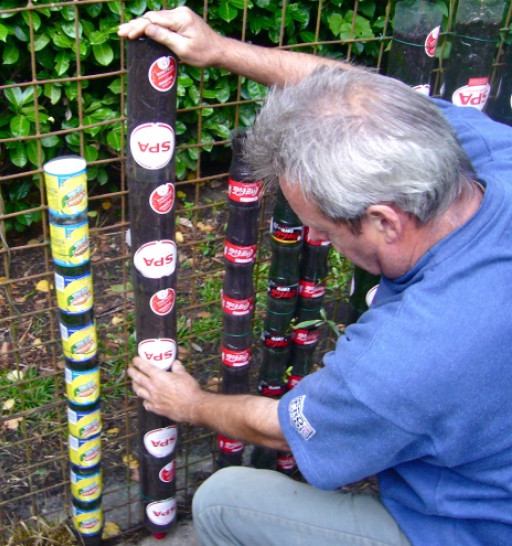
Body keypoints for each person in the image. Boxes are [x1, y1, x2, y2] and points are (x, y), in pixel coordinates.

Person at [120, 7, 512, 546]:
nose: (321, 242)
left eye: (323, 231)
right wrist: (219, 50)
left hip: (480, 529)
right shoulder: (487, 149)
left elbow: (283, 427)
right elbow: (354, 95)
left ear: (382, 220)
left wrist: (190, 404)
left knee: (223, 501)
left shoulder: (412, 356)